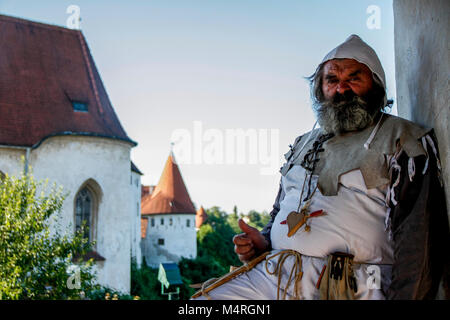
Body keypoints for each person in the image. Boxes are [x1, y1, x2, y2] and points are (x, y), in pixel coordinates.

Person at [192, 35, 449, 300]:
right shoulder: (303, 144)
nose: (341, 89)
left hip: (352, 285)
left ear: (376, 86)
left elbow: (419, 242)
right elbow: (283, 211)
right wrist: (264, 242)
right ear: (320, 88)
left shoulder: (403, 139)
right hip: (277, 275)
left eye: (354, 78)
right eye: (332, 80)